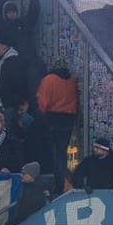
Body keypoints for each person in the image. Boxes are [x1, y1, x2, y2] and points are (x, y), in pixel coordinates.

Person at [35, 61, 78, 191]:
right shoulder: (71, 80)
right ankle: (61, 182)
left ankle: (53, 183)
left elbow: (43, 102)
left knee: (52, 152)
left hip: (53, 119)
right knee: (62, 153)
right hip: (68, 120)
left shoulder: (49, 79)